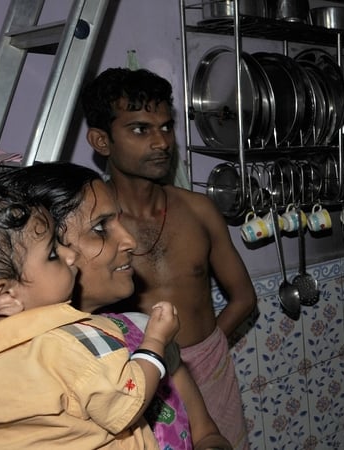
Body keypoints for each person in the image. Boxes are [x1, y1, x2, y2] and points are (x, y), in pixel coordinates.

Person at [0, 162, 232, 450]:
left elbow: (205, 432)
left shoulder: (142, 331)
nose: (129, 240)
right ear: (49, 249)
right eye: (100, 228)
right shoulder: (26, 383)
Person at [80, 67, 256, 448]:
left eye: (166, 127)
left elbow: (244, 297)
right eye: (141, 129)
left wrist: (200, 354)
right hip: (135, 378)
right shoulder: (91, 226)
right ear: (101, 140)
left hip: (208, 369)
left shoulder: (198, 210)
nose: (161, 141)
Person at [0, 181, 179, 449]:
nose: (69, 255)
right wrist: (155, 343)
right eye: (53, 253)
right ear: (4, 297)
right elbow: (128, 401)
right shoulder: (72, 339)